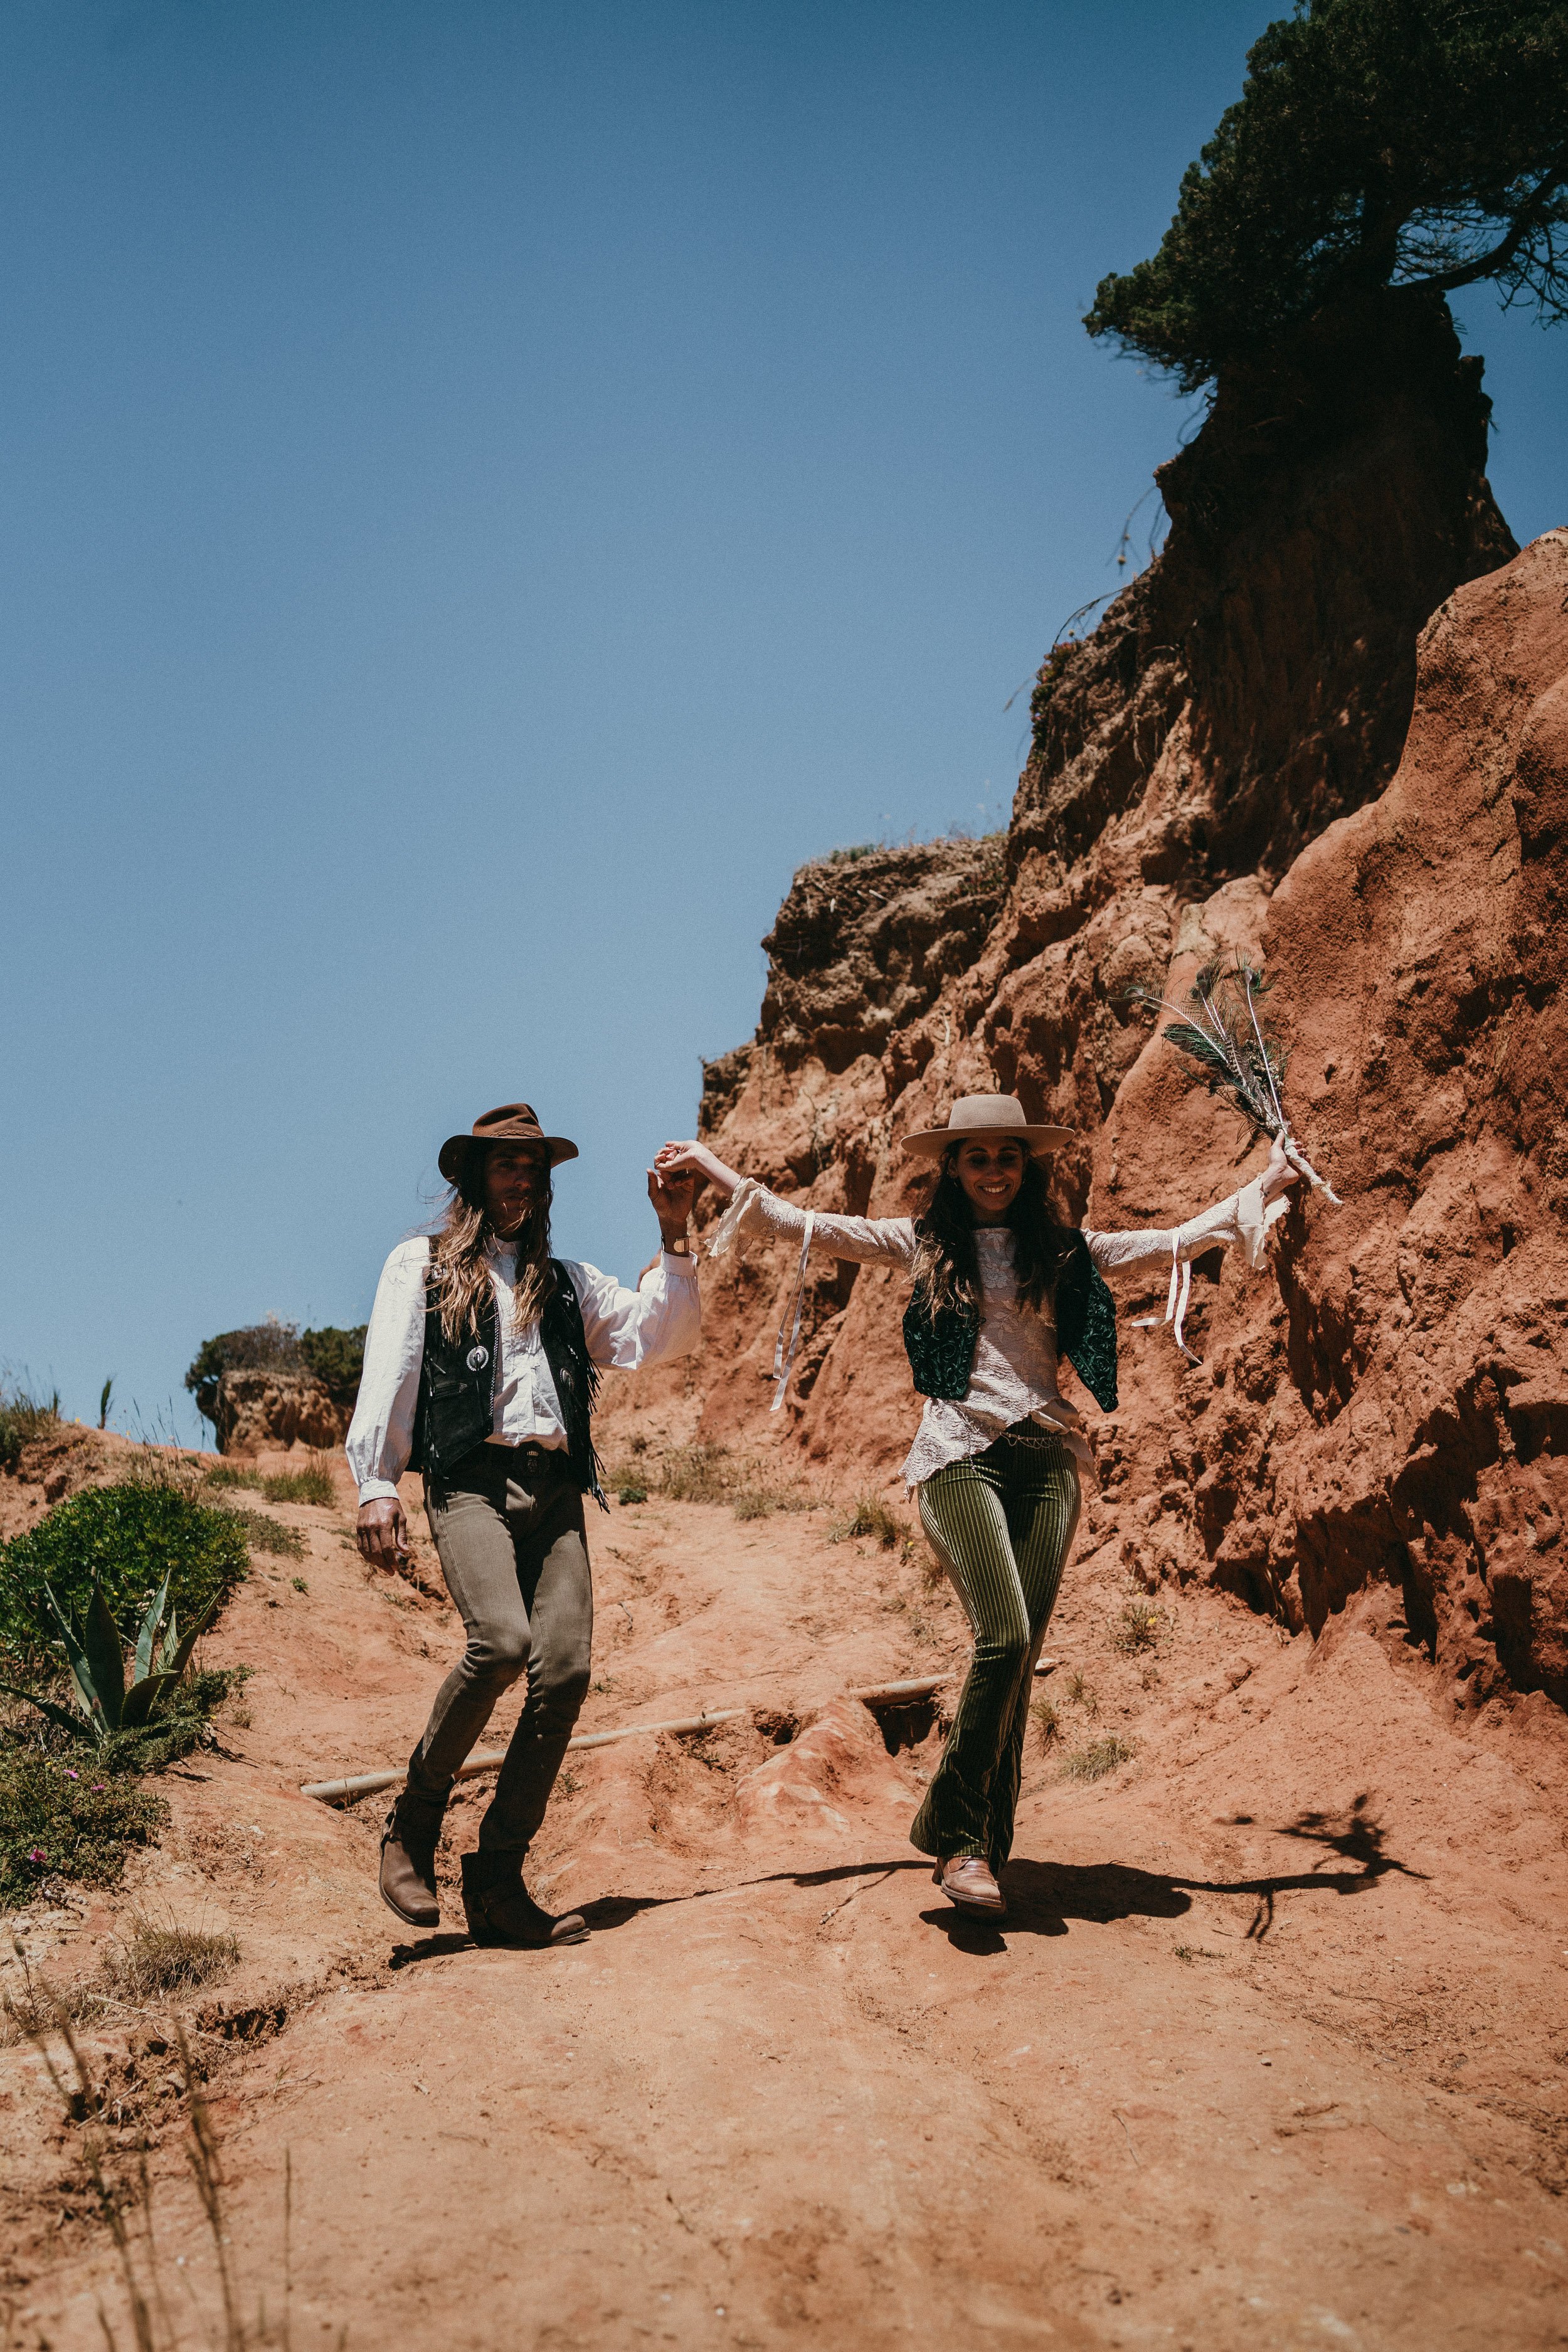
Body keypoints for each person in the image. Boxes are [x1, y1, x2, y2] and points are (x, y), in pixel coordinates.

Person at [655, 1096, 1297, 1922]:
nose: (993, 1167)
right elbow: (801, 1223)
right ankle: (953, 1832)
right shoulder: (923, 1244)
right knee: (1007, 1634)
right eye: (977, 1155)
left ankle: (982, 1851)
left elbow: (1175, 1242)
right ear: (953, 1167)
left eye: (1008, 1154)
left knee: (1018, 1665)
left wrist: (1267, 1178)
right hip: (957, 1455)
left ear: (1025, 1168)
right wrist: (716, 1168)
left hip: (1047, 1463)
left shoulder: (1065, 1250)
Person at [347, 1101, 702, 1948]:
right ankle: (416, 1820)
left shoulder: (567, 1281)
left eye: (535, 1168)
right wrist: (377, 1482)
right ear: (473, 1176)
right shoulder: (423, 1265)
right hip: (469, 1481)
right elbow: (393, 1365)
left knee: (568, 1669)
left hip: (555, 1493)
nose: (524, 1181)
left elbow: (660, 1333)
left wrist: (674, 1231)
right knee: (501, 1642)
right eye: (507, 1165)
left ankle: (499, 1878)